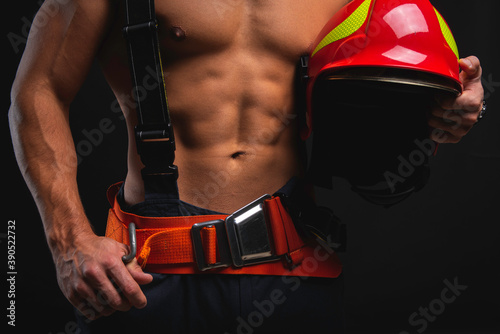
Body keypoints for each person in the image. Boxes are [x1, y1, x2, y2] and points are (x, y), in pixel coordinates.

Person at [8, 0, 485, 333]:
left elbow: (413, 74)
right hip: (150, 277)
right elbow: (39, 88)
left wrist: (454, 104)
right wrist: (68, 240)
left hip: (296, 269)